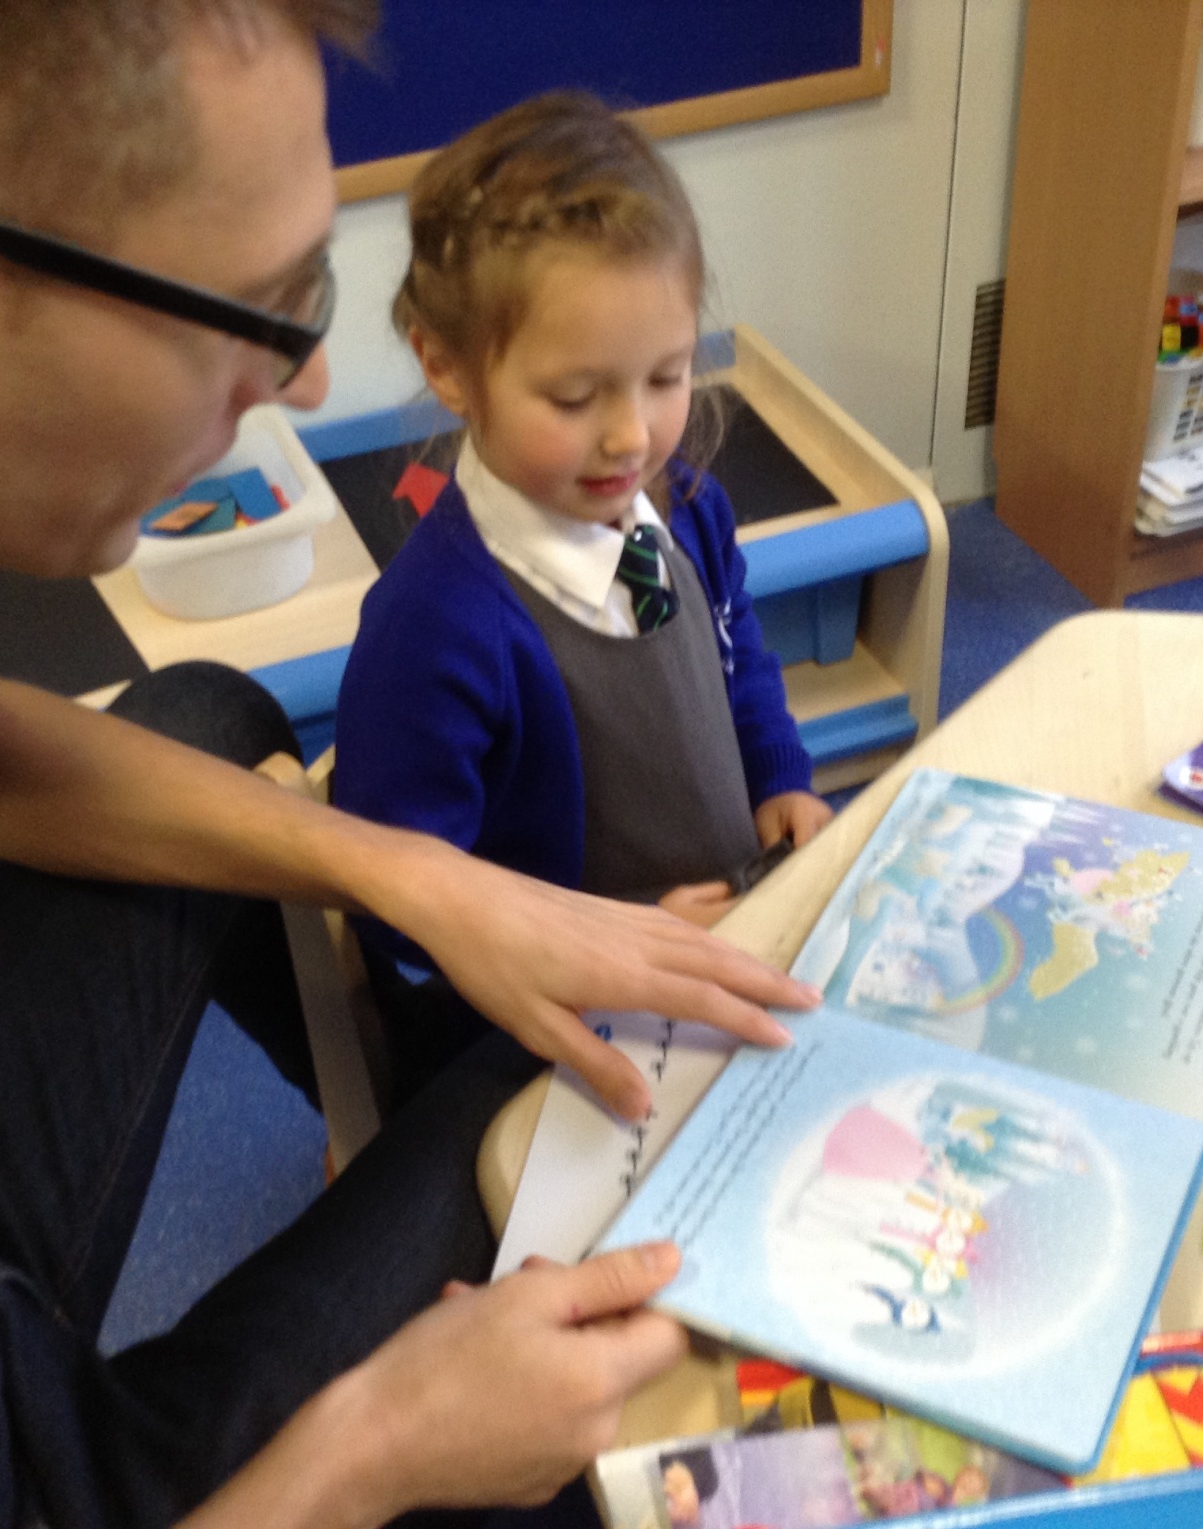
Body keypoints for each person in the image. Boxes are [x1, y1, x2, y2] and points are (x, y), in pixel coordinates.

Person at [0, 4, 820, 1526]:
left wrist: (421, 875)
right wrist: (371, 1456)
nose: (300, 382)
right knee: (562, 1113)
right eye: (254, 308)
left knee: (208, 713)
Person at [332, 95, 832, 1091]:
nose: (630, 437)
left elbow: (737, 656)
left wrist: (779, 773)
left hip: (723, 943)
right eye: (574, 397)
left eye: (666, 374)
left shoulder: (687, 509)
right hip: (559, 1036)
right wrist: (593, 956)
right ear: (447, 366)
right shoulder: (434, 630)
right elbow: (401, 910)